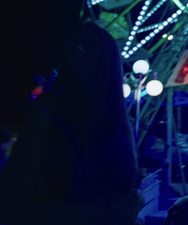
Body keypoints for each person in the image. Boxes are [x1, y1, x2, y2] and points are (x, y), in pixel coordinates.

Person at [0, 22, 143, 225]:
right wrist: (98, 215)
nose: (78, 51)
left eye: (89, 45)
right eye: (72, 45)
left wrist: (135, 199)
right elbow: (13, 198)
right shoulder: (49, 111)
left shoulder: (116, 117)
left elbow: (134, 182)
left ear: (108, 57)